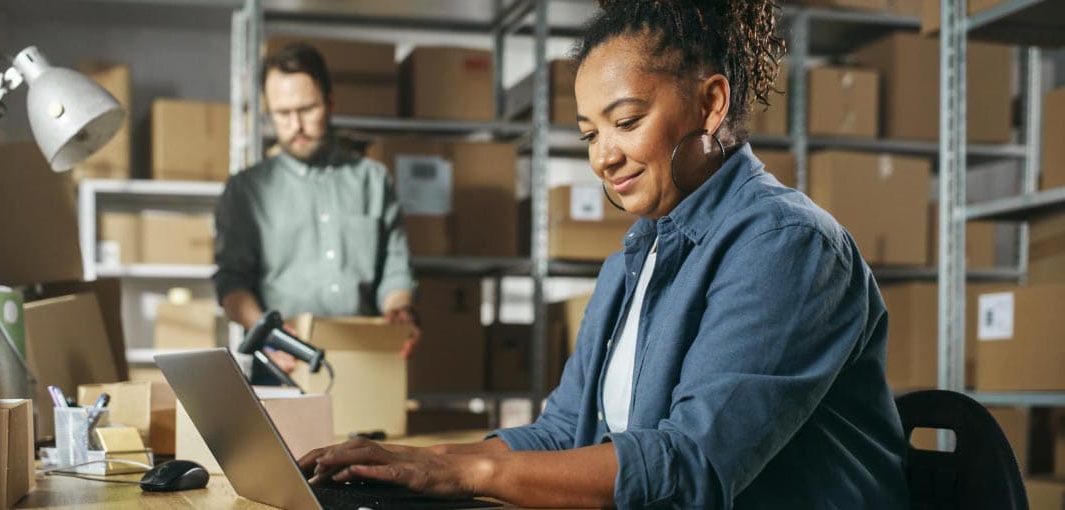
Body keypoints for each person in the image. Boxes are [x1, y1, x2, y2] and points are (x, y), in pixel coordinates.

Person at [296, 1, 910, 508]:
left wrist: (464, 475)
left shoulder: (787, 246)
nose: (602, 156)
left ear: (711, 103)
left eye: (627, 120)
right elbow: (564, 433)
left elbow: (690, 466)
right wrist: (412, 461)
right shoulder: (635, 257)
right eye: (590, 133)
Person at [214, 43, 420, 381]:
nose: (295, 125)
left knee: (371, 436)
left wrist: (399, 311)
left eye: (307, 109)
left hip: (364, 362)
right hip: (283, 363)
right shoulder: (245, 190)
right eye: (282, 114)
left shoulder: (373, 180)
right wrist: (268, 332)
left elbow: (395, 272)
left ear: (330, 103)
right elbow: (231, 283)